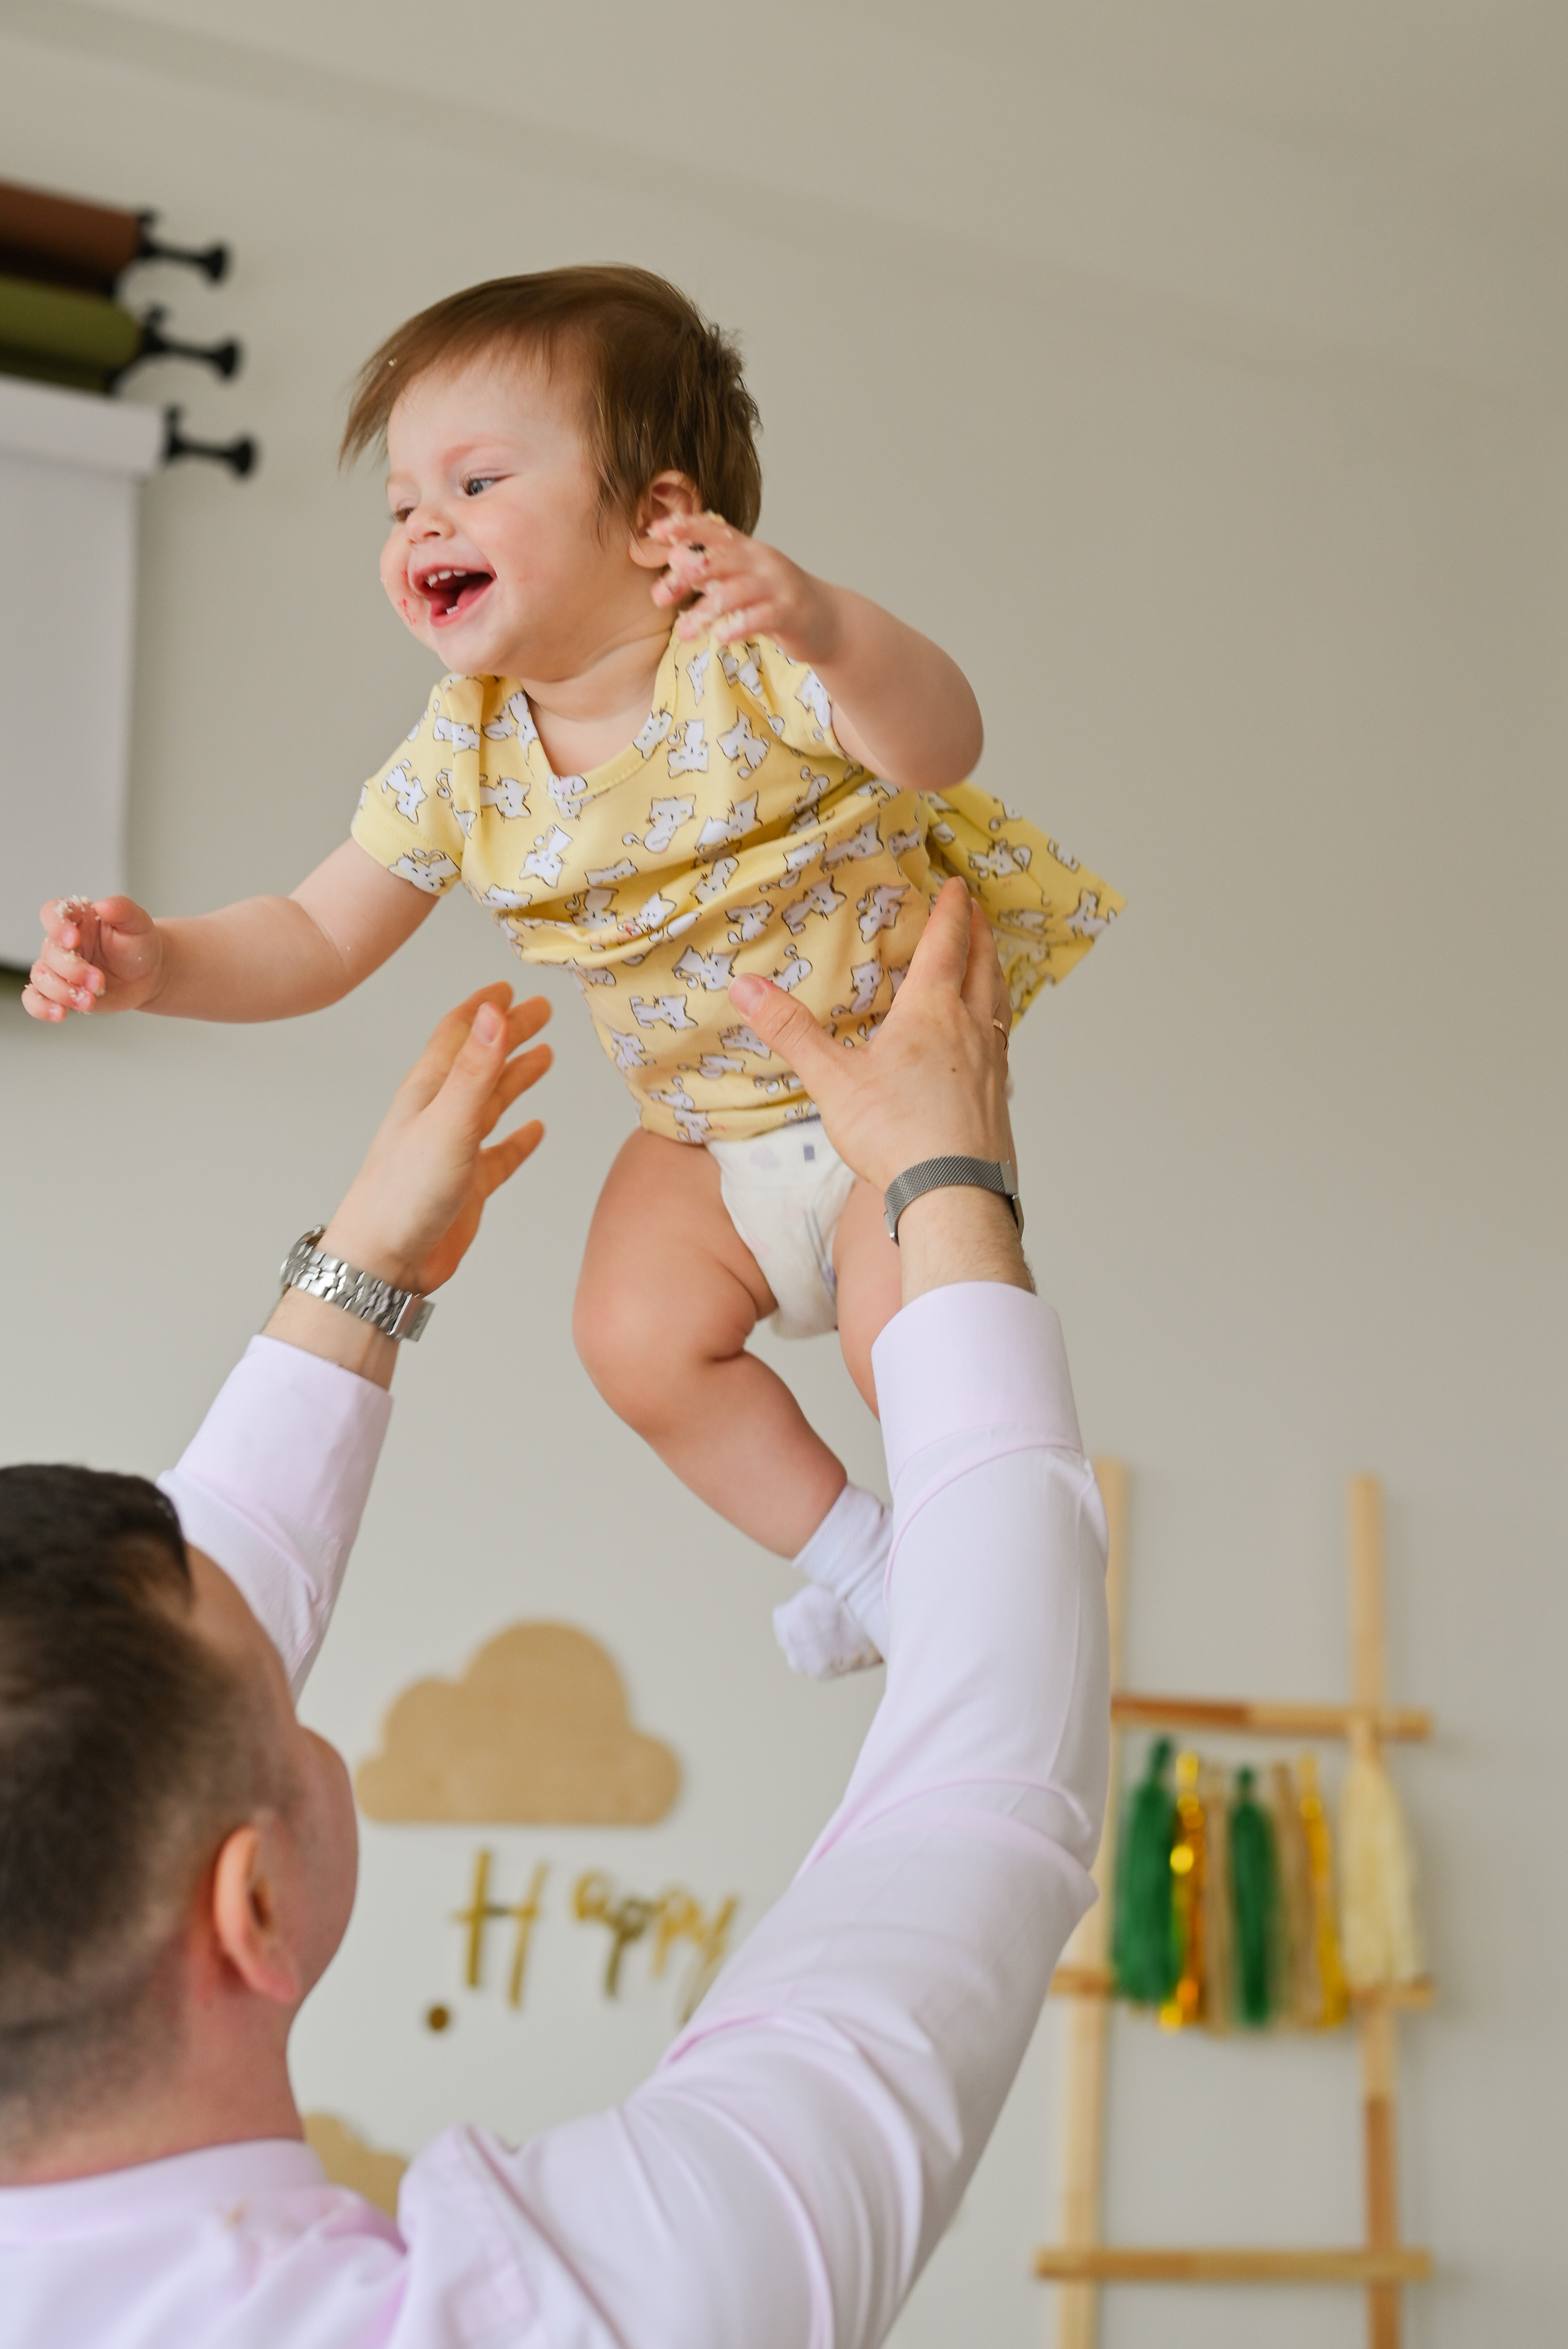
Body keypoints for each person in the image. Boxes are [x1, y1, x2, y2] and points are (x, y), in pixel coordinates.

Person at [0, 878, 1110, 2349]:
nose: (275, 1631)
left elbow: (140, 1650)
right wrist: (947, 1179)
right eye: (276, 1692)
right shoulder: (567, 2317)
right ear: (250, 1904)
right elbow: (981, 1797)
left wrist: (365, 1269)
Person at [20, 265, 1121, 1681]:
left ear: (660, 517)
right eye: (401, 504)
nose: (423, 524)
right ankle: (866, 1564)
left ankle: (991, 1570)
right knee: (628, 1338)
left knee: (893, 1337)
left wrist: (833, 627)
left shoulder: (749, 660)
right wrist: (162, 960)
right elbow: (313, 934)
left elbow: (938, 743)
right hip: (700, 1138)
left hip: (883, 1113)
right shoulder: (460, 750)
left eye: (474, 483)